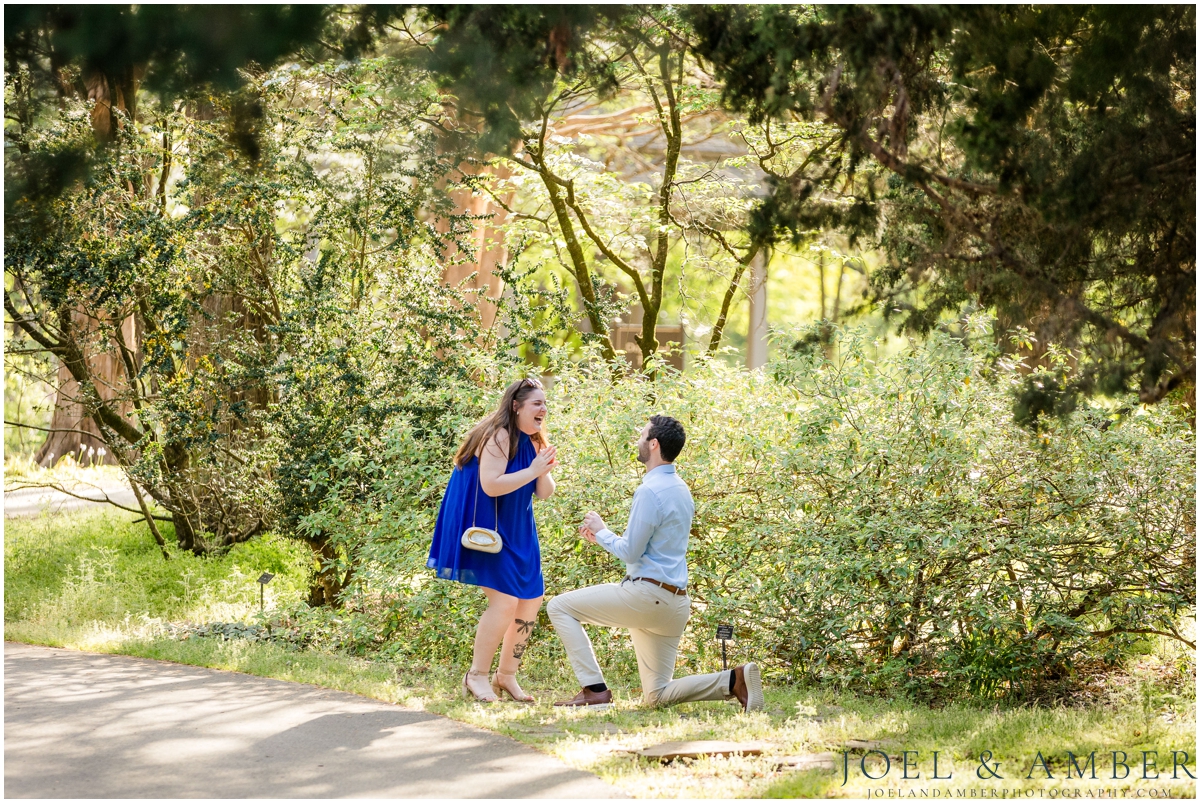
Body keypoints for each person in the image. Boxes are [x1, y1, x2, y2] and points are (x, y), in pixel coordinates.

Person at [547, 415, 764, 712]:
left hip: (647, 597)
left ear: (653, 444)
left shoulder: (650, 490)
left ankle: (594, 691)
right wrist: (602, 539)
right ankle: (732, 681)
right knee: (657, 696)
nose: (637, 440)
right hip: (675, 604)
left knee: (558, 606)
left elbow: (631, 552)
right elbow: (655, 547)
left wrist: (602, 530)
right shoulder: (680, 488)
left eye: (642, 434)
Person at [427, 377, 558, 703]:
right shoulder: (499, 436)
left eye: (544, 403)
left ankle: (506, 675)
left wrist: (541, 469)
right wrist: (532, 470)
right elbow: (491, 485)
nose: (544, 409)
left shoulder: (536, 440)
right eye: (536, 403)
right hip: (490, 530)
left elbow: (544, 492)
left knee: (531, 600)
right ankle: (477, 676)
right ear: (516, 406)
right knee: (504, 602)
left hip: (519, 529)